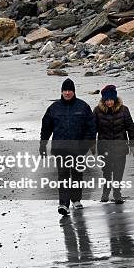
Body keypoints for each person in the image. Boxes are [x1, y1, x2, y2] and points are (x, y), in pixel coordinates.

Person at [40, 78, 96, 216]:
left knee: (77, 174)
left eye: (69, 90)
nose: (67, 93)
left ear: (74, 91)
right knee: (63, 175)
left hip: (78, 148)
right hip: (60, 149)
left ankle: (76, 200)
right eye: (64, 90)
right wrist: (43, 144)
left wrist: (86, 145)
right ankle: (63, 204)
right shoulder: (54, 108)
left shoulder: (83, 107)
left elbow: (91, 128)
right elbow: (46, 126)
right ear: (61, 91)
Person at [93, 85, 134, 204]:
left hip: (120, 147)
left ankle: (117, 193)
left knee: (118, 171)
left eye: (111, 100)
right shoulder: (97, 111)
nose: (109, 102)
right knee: (107, 171)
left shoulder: (124, 110)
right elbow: (92, 129)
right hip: (104, 147)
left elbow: (131, 128)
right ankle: (106, 191)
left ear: (115, 99)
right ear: (103, 100)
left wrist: (133, 145)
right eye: (106, 100)